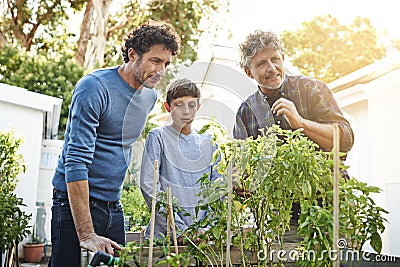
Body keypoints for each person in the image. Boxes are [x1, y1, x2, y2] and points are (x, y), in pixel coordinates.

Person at [49, 20, 181, 267]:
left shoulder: (149, 97)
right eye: (155, 61)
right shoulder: (94, 88)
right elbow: (75, 161)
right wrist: (86, 233)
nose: (162, 71)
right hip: (73, 205)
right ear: (133, 55)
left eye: (166, 63)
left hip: (112, 206)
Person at [233, 30, 354, 240]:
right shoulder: (246, 111)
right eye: (261, 63)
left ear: (283, 58)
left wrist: (300, 123)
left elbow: (344, 139)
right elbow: (242, 170)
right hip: (284, 217)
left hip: (331, 205)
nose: (271, 68)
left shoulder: (311, 89)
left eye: (275, 59)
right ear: (248, 71)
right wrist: (241, 182)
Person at [140, 77, 220, 243]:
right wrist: (179, 230)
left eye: (191, 105)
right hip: (166, 239)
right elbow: (149, 186)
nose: (186, 111)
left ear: (198, 107)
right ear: (168, 107)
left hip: (204, 240)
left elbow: (218, 190)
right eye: (179, 104)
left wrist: (207, 229)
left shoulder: (209, 143)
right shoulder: (158, 137)